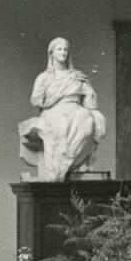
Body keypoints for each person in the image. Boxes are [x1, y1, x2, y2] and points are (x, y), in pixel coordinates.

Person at [19, 37, 107, 181]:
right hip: (53, 110)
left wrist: (89, 91)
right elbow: (36, 100)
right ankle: (58, 171)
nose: (63, 52)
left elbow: (91, 104)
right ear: (51, 53)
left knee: (87, 121)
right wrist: (56, 97)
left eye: (66, 49)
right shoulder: (44, 77)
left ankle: (70, 166)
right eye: (59, 49)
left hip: (77, 110)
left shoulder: (77, 76)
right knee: (61, 124)